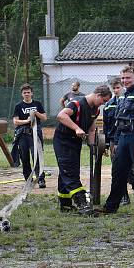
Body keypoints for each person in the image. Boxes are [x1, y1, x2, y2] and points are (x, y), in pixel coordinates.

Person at [101, 66, 134, 217]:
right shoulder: (122, 96)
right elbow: (119, 120)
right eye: (123, 78)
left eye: (128, 78)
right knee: (118, 173)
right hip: (123, 138)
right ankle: (111, 206)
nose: (125, 81)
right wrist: (116, 142)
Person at [53, 85, 112, 215]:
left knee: (66, 171)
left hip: (76, 142)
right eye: (104, 100)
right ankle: (82, 204)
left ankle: (65, 204)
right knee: (70, 171)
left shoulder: (95, 110)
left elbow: (91, 130)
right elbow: (61, 116)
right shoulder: (77, 103)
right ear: (98, 95)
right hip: (63, 141)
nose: (104, 104)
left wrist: (93, 147)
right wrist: (76, 128)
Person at [102, 77, 133, 206]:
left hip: (126, 138)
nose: (116, 90)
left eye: (118, 87)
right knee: (117, 169)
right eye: (113, 88)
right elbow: (106, 125)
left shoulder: (128, 101)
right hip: (114, 141)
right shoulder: (109, 105)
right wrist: (107, 143)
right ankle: (123, 196)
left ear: (123, 87)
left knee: (131, 169)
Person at [12, 83, 47, 188]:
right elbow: (15, 121)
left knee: (36, 156)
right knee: (25, 157)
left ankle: (40, 179)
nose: (27, 94)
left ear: (32, 93)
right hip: (23, 134)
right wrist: (26, 120)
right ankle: (28, 179)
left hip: (35, 133)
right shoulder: (18, 106)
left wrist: (36, 113)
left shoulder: (37, 104)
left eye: (28, 92)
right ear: (22, 94)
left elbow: (44, 118)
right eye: (24, 93)